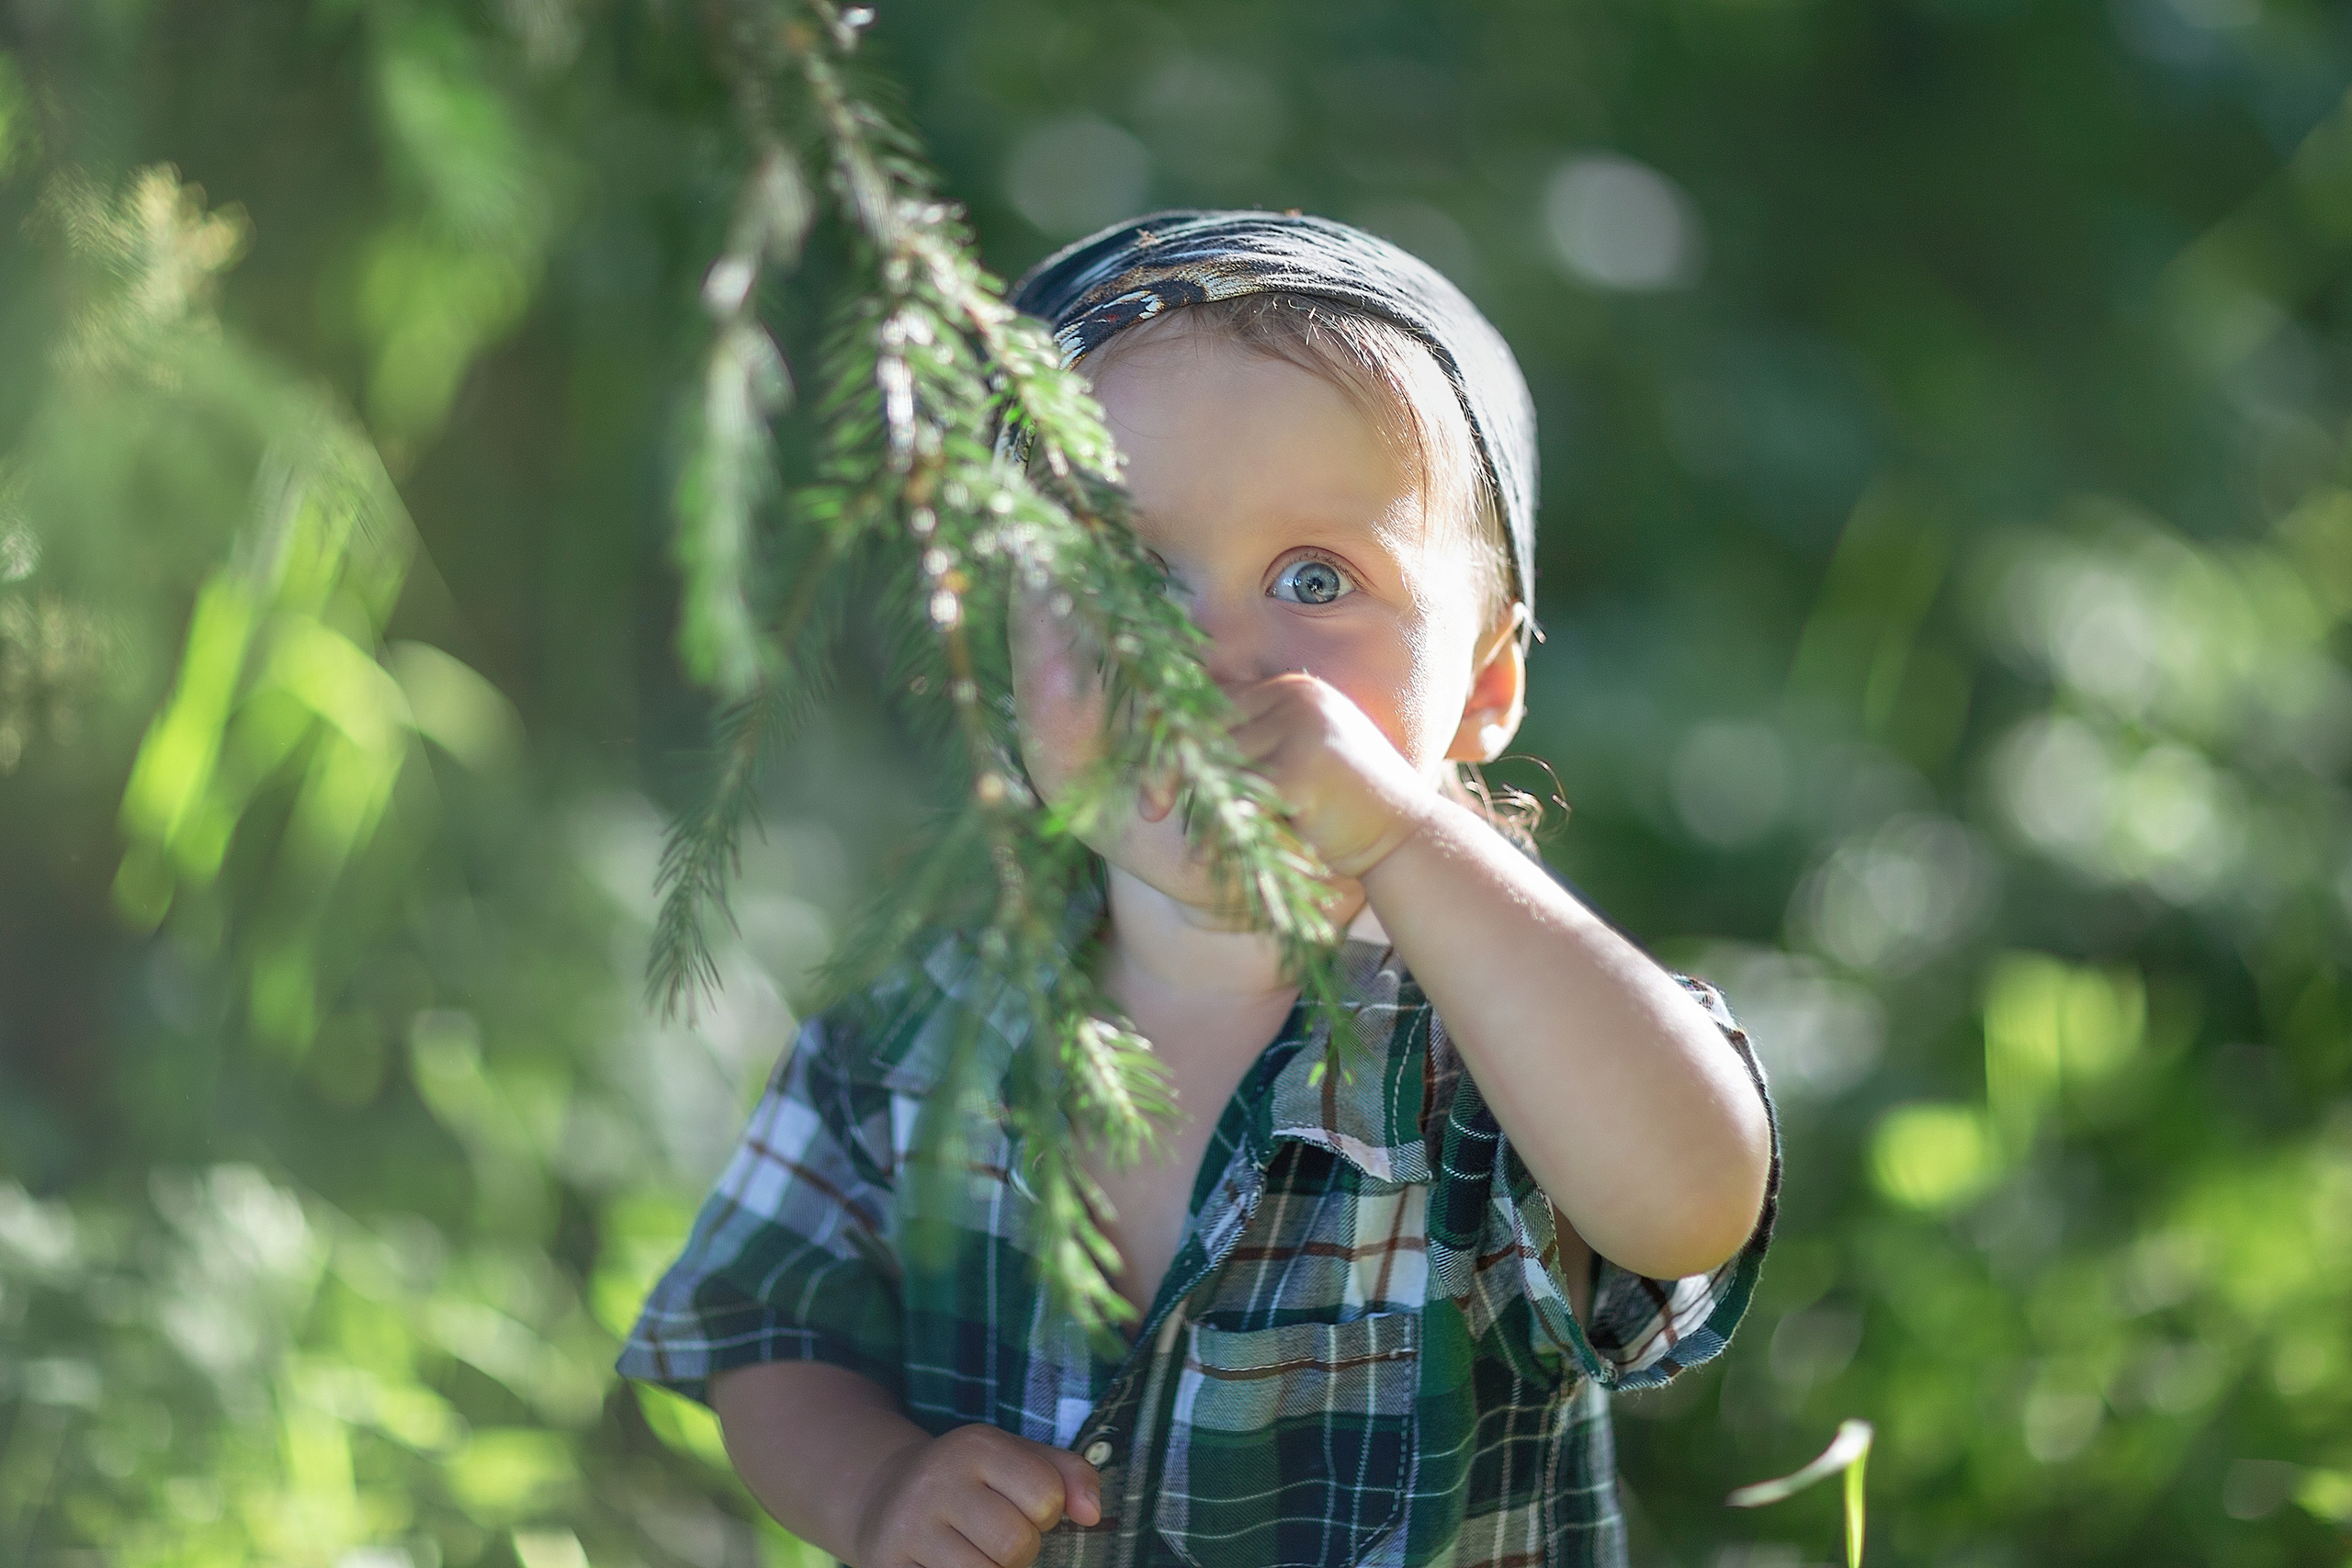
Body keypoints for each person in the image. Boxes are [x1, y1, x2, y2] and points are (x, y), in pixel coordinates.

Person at [619, 211, 1781, 1568]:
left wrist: (1403, 833)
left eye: (1315, 580)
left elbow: (1691, 1199)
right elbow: (776, 1323)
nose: (1205, 660)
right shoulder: (915, 1025)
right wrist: (875, 1489)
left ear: (1483, 684)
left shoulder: (1503, 1044)